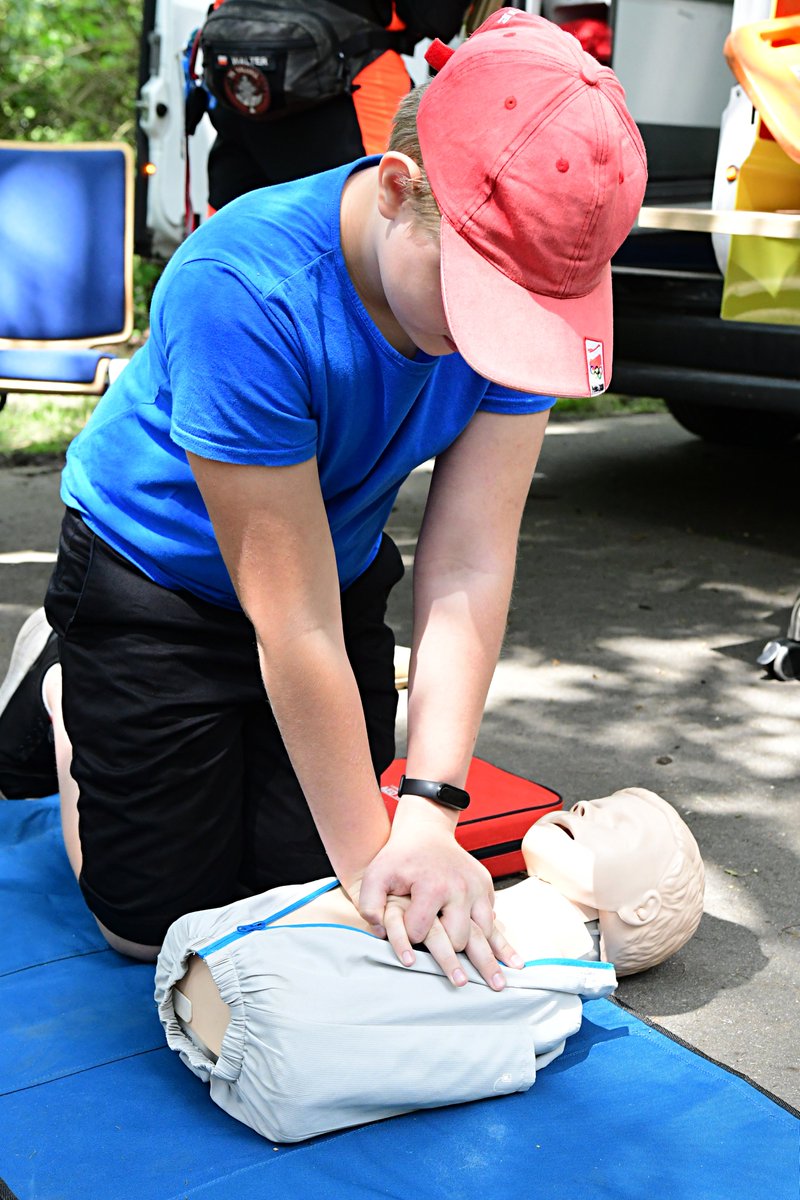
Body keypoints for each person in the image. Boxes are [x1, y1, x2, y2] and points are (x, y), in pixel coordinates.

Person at [0, 11, 648, 991]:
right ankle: (60, 678)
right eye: (479, 305)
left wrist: (428, 815)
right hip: (157, 578)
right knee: (161, 930)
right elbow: (288, 624)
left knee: (291, 889)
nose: (494, 346)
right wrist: (371, 871)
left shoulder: (519, 287)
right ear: (396, 190)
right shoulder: (245, 288)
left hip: (328, 565)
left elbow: (469, 558)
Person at [154, 787, 705, 1143]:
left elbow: (461, 1052)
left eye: (616, 823)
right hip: (228, 964)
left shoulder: (551, 983)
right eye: (596, 802)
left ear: (643, 909)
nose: (585, 808)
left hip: (267, 1018)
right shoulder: (486, 895)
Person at [205, 1, 471, 210]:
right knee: (375, 222)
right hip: (353, 90)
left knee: (228, 233)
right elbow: (436, 17)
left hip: (240, 75)